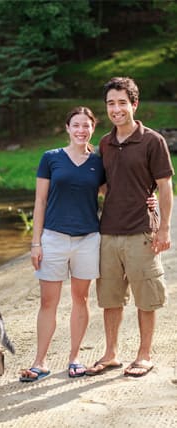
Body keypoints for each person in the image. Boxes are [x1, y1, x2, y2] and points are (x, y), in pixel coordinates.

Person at [85, 77, 173, 378]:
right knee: (110, 297)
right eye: (111, 103)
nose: (116, 108)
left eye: (122, 102)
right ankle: (110, 354)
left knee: (146, 296)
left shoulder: (152, 141)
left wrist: (164, 229)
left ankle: (144, 354)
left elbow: (164, 186)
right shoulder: (105, 143)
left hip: (141, 232)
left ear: (134, 104)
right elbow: (104, 184)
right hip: (108, 232)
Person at [20, 106, 105, 382]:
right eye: (76, 125)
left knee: (81, 299)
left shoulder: (99, 162)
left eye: (86, 125)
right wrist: (36, 242)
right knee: (48, 302)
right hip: (53, 238)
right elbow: (40, 201)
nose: (81, 130)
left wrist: (149, 198)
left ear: (93, 128)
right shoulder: (51, 158)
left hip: (88, 239)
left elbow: (115, 192)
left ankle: (74, 358)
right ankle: (40, 362)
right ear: (67, 128)